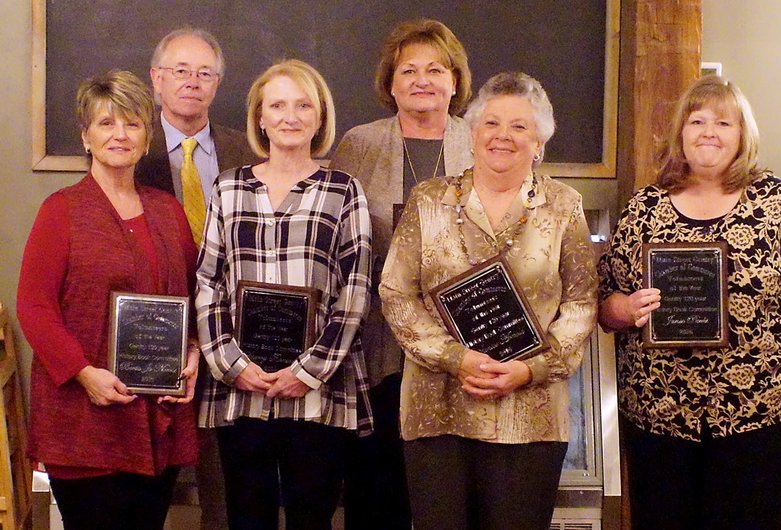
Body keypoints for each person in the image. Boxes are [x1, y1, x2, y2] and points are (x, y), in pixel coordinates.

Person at [379, 71, 598, 530]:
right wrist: (454, 357)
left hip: (531, 415)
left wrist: (530, 369)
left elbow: (581, 304)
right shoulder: (428, 200)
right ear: (473, 134)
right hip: (437, 409)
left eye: (520, 126)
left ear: (539, 141)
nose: (503, 136)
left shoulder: (565, 205)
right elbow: (397, 293)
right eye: (491, 123)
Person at [598, 75, 781, 530]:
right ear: (681, 134)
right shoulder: (643, 209)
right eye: (698, 120)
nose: (709, 131)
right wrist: (625, 308)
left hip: (758, 416)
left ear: (742, 135)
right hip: (659, 417)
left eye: (724, 122)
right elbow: (604, 304)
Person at [16, 70, 199, 530]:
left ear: (146, 136)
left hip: (157, 414)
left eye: (132, 123)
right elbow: (34, 309)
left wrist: (193, 351)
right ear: (86, 136)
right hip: (85, 416)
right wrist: (84, 374)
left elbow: (193, 295)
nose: (120, 134)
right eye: (106, 123)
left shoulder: (168, 210)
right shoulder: (61, 211)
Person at [195, 59, 372, 530]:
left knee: (311, 520)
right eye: (277, 105)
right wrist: (232, 365)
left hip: (317, 393)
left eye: (302, 105)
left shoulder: (343, 190)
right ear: (260, 117)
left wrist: (307, 371)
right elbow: (209, 282)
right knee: (246, 519)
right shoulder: (228, 188)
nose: (289, 116)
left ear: (319, 118)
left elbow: (355, 289)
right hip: (242, 391)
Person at [328, 19, 472, 529]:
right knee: (377, 488)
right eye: (407, 70)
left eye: (435, 69)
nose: (422, 80)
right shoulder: (359, 144)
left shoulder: (482, 144)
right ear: (390, 84)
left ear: (455, 81)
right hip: (378, 347)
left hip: (464, 346)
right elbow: (335, 241)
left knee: (448, 494)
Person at [135, 27, 258, 529]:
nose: (192, 82)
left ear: (218, 84)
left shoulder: (245, 150)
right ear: (156, 80)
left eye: (204, 73)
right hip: (152, 327)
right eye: (180, 71)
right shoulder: (128, 146)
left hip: (232, 330)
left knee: (225, 475)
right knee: (146, 477)